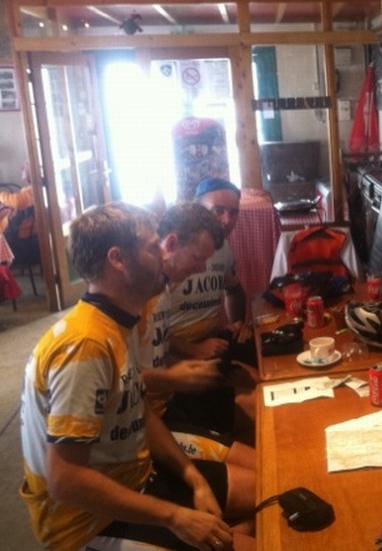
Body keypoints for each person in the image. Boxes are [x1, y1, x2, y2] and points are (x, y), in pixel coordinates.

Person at [19, 202, 255, 551]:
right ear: (118, 259)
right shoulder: (85, 343)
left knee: (270, 484)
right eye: (151, 246)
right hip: (88, 523)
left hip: (138, 478)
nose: (163, 254)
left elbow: (138, 413)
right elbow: (64, 479)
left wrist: (194, 478)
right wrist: (176, 516)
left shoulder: (117, 322)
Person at [141, 201, 256, 470]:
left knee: (266, 406)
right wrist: (176, 373)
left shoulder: (163, 290)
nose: (202, 269)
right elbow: (116, 382)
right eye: (197, 258)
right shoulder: (137, 296)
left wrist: (186, 369)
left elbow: (155, 347)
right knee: (262, 470)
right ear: (170, 244)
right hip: (155, 421)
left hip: (170, 403)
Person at [166, 178, 258, 442]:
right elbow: (146, 333)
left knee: (267, 361)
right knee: (252, 390)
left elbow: (234, 290)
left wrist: (238, 323)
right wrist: (192, 350)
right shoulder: (167, 262)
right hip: (178, 353)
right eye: (218, 210)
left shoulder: (224, 248)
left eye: (233, 212)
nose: (226, 219)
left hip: (212, 341)